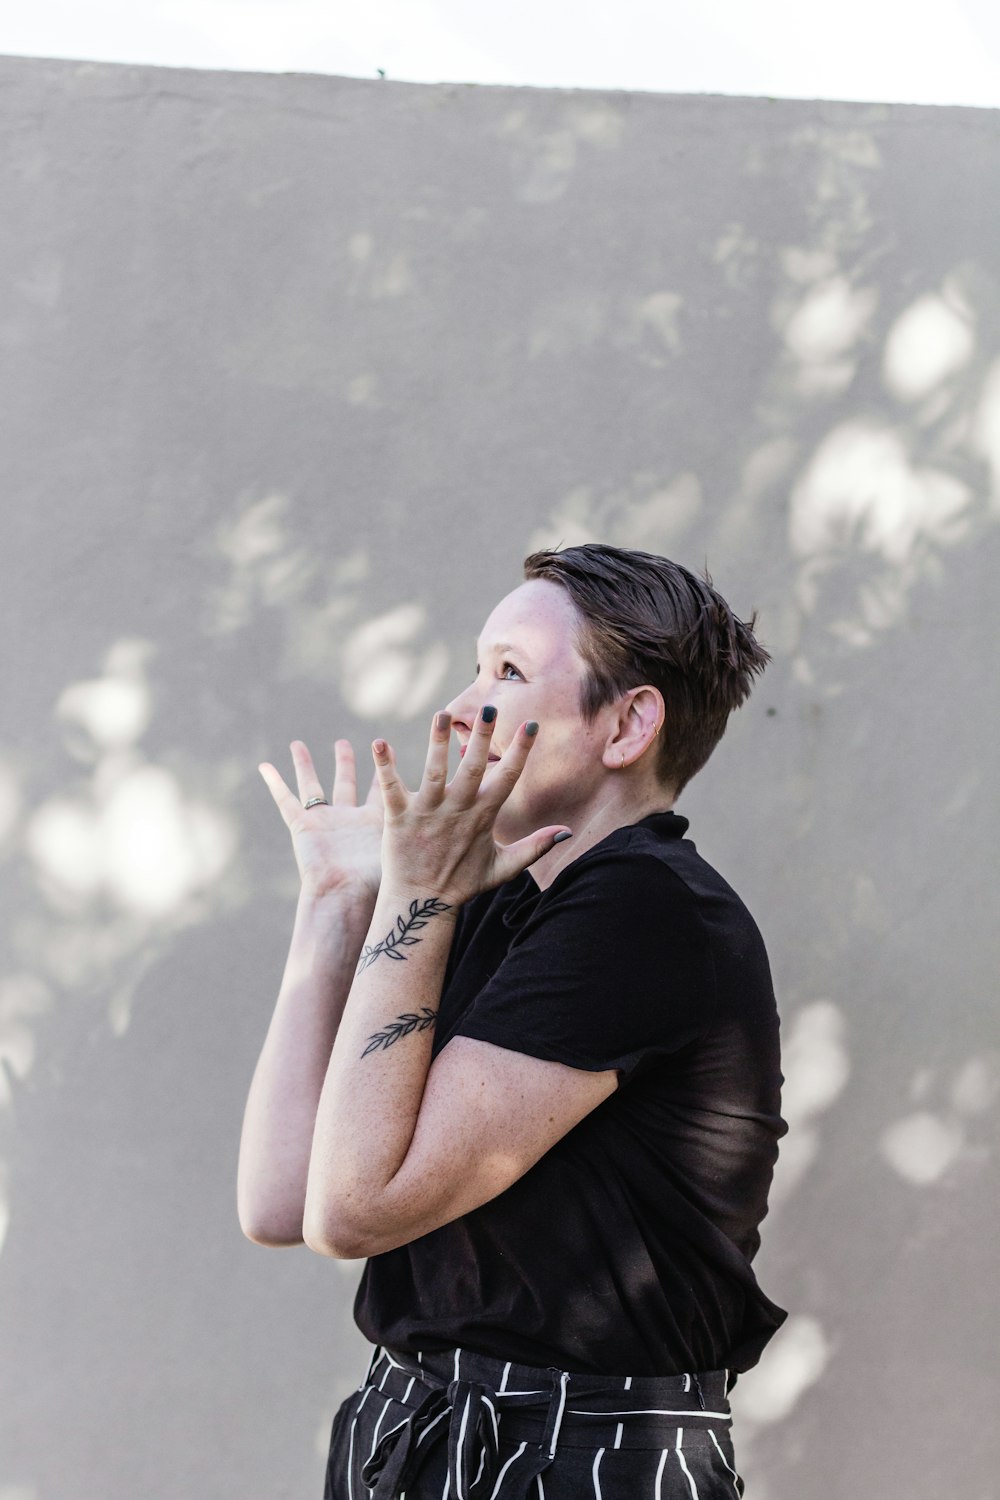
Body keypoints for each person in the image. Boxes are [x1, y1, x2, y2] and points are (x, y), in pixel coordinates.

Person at [238, 543, 787, 1499]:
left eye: (507, 673)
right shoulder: (492, 901)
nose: (453, 708)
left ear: (627, 725)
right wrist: (335, 904)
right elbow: (281, 1203)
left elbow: (352, 1211)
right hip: (414, 1429)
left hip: (581, 1455)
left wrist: (413, 897)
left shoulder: (646, 906)